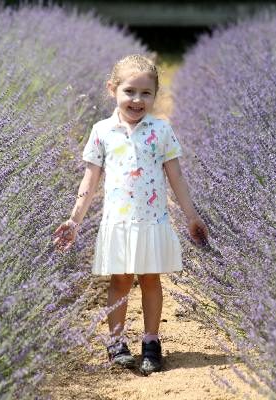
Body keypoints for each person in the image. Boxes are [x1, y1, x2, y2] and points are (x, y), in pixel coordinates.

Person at [52, 54, 209, 376]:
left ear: (155, 95)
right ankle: (116, 341)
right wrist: (74, 219)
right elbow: (91, 178)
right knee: (120, 279)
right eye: (129, 91)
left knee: (151, 279)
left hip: (152, 220)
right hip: (118, 222)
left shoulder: (161, 130)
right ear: (113, 89)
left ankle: (151, 341)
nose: (137, 100)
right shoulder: (102, 131)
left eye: (145, 93)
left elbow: (176, 177)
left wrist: (191, 215)